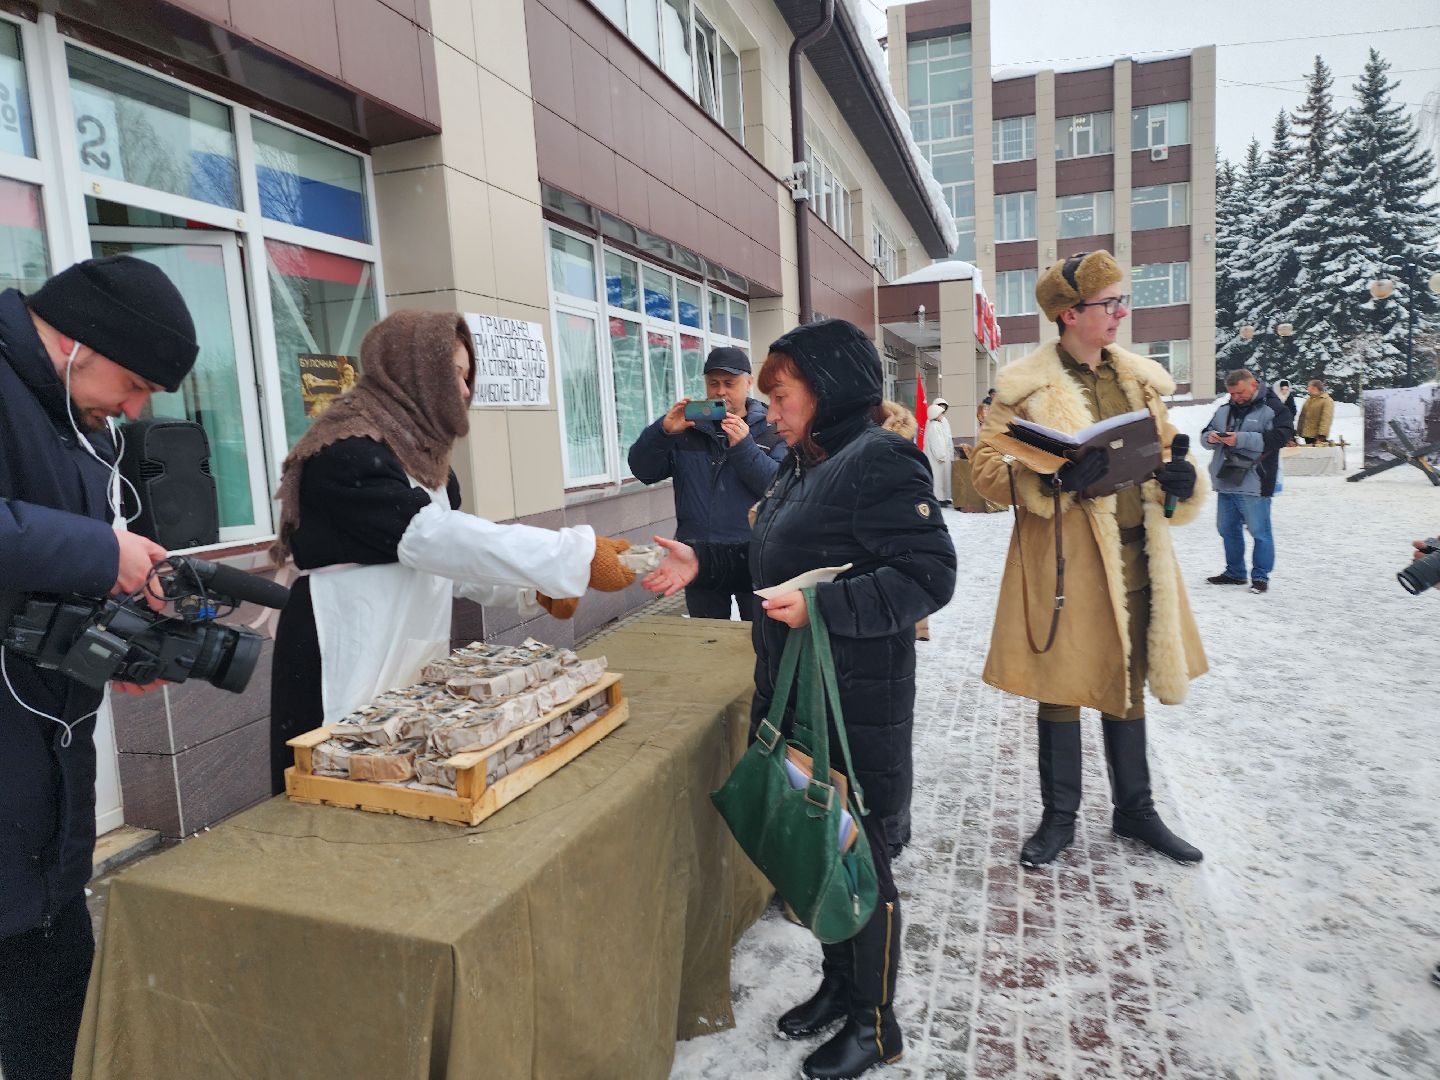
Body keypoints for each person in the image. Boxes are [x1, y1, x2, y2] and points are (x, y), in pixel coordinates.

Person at [641, 320, 956, 1079]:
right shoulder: (806, 461)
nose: (767, 412)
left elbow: (928, 577)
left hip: (856, 704)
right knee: (821, 851)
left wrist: (824, 608)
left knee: (864, 864)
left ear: (829, 390)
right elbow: (770, 556)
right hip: (797, 692)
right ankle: (842, 988)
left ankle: (878, 1023)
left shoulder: (880, 459)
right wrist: (701, 566)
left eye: (779, 396)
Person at [268, 310, 636, 793]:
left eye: (469, 377)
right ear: (414, 373)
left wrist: (531, 590)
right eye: (456, 376)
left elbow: (449, 565)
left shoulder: (420, 457)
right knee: (335, 772)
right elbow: (433, 538)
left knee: (400, 768)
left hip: (404, 642)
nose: (466, 391)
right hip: (342, 641)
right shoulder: (345, 449)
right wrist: (571, 555)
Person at [0, 256, 200, 1080]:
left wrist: (113, 645)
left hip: (47, 796)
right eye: (135, 384)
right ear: (82, 339)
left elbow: (45, 587)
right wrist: (98, 548)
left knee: (58, 1023)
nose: (134, 408)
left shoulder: (80, 425)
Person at [971, 250, 1209, 868]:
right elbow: (985, 475)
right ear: (1070, 314)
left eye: (1119, 302)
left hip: (1137, 554)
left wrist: (1179, 480)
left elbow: (1158, 452)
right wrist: (1053, 478)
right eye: (1110, 305)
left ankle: (1135, 810)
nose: (1120, 313)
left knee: (1128, 680)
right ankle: (1059, 819)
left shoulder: (1138, 379)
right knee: (1063, 685)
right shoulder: (1023, 386)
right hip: (1064, 561)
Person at [627, 346, 786, 620]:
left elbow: (779, 489)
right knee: (707, 640)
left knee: (758, 640)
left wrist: (744, 447)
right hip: (698, 554)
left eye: (730, 383)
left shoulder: (772, 429)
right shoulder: (688, 427)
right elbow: (644, 470)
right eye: (714, 383)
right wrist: (663, 433)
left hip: (753, 555)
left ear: (748, 383)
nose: (721, 391)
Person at [1202, 368, 1294, 595]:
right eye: (1232, 394)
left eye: (1240, 392)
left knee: (1260, 532)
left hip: (1256, 480)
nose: (1236, 398)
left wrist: (1241, 439)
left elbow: (1282, 436)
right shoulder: (1224, 410)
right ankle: (1235, 572)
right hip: (1227, 480)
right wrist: (1210, 438)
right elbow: (1204, 434)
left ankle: (1260, 577)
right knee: (1227, 529)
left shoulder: (1274, 408)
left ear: (1253, 384)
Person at [923, 396, 954, 505]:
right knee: (938, 478)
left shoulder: (937, 423)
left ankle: (944, 497)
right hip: (938, 457)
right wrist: (941, 455)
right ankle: (939, 498)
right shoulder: (934, 425)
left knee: (943, 478)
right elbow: (937, 443)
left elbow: (947, 438)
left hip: (942, 455)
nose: (942, 413)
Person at [1297, 378, 1334, 444]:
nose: (1307, 388)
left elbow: (1326, 419)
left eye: (1308, 386)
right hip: (1307, 435)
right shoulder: (1309, 400)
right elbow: (1302, 417)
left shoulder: (1326, 400)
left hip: (1317, 437)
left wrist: (1321, 436)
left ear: (1314, 387)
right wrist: (1299, 432)